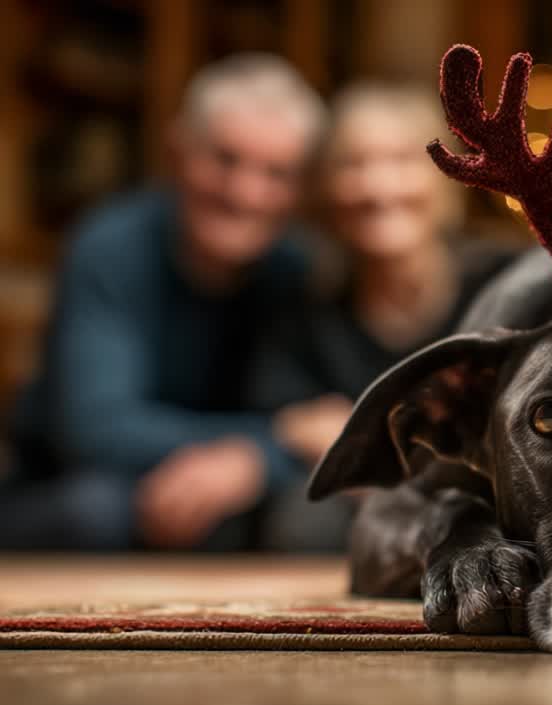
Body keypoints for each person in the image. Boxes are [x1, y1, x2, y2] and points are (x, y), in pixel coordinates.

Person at [0, 54, 325, 551]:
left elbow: (324, 427)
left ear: (299, 189)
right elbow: (95, 430)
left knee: (305, 517)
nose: (245, 193)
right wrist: (264, 443)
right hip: (75, 488)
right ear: (178, 151)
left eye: (276, 173)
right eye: (224, 159)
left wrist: (254, 460)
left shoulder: (296, 268)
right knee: (96, 509)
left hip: (230, 496)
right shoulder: (108, 248)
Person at [247, 82, 513, 534]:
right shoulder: (305, 304)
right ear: (326, 187)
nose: (377, 186)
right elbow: (288, 421)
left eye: (402, 161)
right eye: (354, 164)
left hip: (481, 508)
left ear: (448, 174)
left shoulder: (502, 287)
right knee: (301, 520)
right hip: (356, 522)